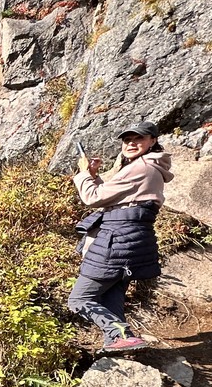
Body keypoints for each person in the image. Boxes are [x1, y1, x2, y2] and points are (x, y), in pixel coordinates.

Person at [67, 121, 173, 353]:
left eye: (139, 138)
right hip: (132, 241)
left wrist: (83, 173)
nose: (131, 144)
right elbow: (115, 196)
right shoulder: (148, 165)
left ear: (152, 141)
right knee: (110, 294)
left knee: (78, 299)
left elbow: (93, 198)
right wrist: (94, 176)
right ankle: (120, 343)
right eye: (127, 140)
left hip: (117, 241)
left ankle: (119, 335)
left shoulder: (141, 167)